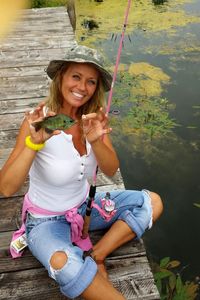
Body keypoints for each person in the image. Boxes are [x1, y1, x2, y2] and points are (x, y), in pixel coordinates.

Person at [0, 44, 163, 300]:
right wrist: (34, 144)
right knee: (63, 263)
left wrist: (97, 141)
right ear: (61, 76)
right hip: (44, 222)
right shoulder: (39, 120)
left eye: (91, 81)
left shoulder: (92, 119)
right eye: (75, 76)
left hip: (84, 208)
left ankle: (97, 255)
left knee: (152, 202)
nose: (82, 87)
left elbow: (111, 171)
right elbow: (6, 187)